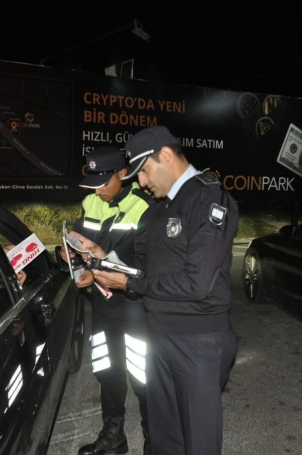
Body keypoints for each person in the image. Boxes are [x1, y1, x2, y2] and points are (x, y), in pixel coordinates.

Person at [85, 126, 239, 455]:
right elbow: (145, 264)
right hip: (158, 336)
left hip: (197, 343)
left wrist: (129, 283)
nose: (140, 182)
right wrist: (104, 264)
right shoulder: (160, 208)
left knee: (198, 442)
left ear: (166, 156)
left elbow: (196, 282)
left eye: (143, 171)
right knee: (164, 439)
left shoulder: (208, 197)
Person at [62, 145, 154, 455]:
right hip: (101, 304)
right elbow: (79, 244)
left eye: (104, 183)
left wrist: (101, 261)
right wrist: (70, 256)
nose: (97, 191)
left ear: (123, 173)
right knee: (106, 369)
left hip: (133, 306)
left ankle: (154, 437)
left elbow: (146, 268)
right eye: (92, 183)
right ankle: (114, 436)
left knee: (143, 375)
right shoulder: (90, 202)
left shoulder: (144, 206)